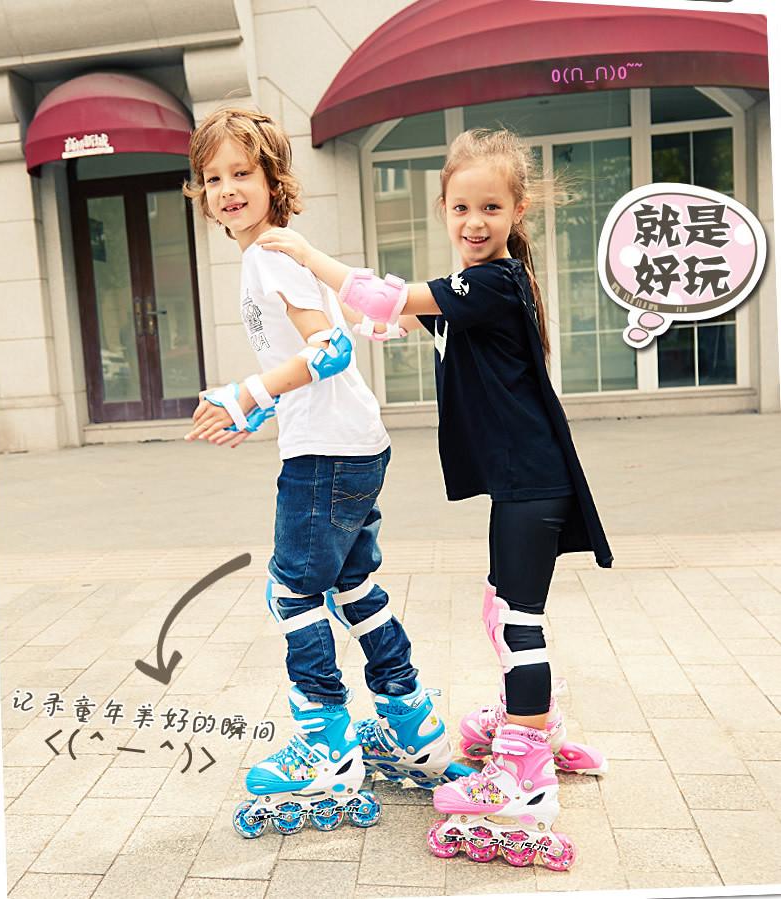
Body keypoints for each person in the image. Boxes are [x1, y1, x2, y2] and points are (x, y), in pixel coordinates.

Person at [256, 128, 613, 868]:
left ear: (516, 211)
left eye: (490, 207)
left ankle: (523, 774)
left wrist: (309, 256)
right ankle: (530, 721)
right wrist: (379, 318)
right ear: (443, 208)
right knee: (499, 608)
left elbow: (386, 296)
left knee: (518, 622)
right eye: (461, 207)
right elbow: (407, 313)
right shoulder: (477, 286)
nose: (474, 221)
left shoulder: (495, 281)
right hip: (522, 481)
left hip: (533, 483)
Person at [182, 107, 468, 840]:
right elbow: (312, 360)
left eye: (242, 173)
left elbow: (330, 351)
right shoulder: (270, 254)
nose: (227, 189)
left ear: (273, 180)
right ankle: (412, 726)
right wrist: (255, 412)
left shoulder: (269, 255)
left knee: (291, 591)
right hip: (352, 442)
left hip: (326, 454)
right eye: (213, 178)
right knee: (354, 585)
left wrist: (249, 393)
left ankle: (327, 745)